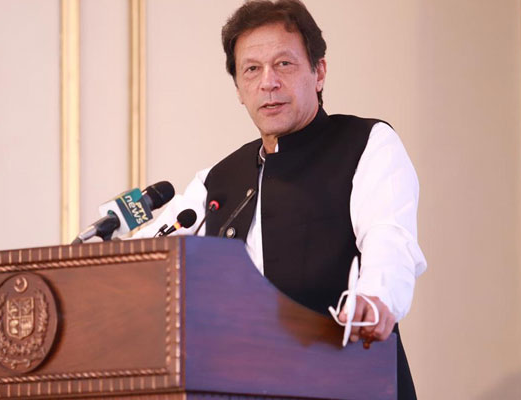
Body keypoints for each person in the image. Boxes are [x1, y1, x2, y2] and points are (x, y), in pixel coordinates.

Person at [134, 1, 426, 398]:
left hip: (347, 379)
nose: (267, 82)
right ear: (239, 89)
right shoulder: (217, 180)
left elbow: (389, 238)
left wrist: (375, 299)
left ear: (319, 72)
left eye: (284, 64)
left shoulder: (367, 144)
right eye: (251, 69)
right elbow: (154, 259)